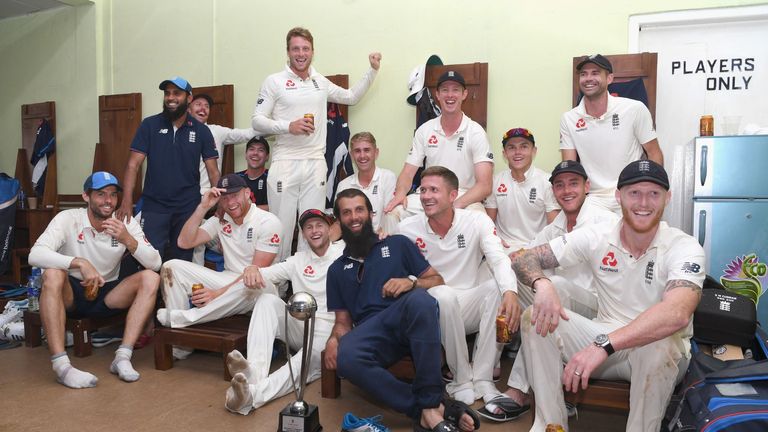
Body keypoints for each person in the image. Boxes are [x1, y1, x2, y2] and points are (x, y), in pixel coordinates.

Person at [514, 160, 704, 432]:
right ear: (618, 196)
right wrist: (542, 284)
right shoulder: (596, 235)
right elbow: (525, 259)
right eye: (634, 193)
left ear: (667, 198)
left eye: (654, 193)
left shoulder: (684, 246)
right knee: (535, 315)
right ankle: (550, 425)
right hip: (605, 340)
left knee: (659, 346)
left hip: (655, 350)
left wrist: (603, 345)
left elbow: (677, 313)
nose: (643, 203)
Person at [325, 188, 480, 432]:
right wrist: (334, 338)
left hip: (407, 321)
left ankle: (429, 404)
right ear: (339, 220)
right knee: (347, 356)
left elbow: (437, 281)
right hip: (372, 333)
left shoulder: (397, 244)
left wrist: (412, 282)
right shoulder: (335, 269)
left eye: (359, 210)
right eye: (346, 213)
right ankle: (432, 408)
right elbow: (343, 321)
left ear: (370, 214)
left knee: (419, 299)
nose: (354, 217)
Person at [480, 160, 618, 422]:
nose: (566, 190)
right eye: (559, 185)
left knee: (557, 287)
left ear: (587, 186)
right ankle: (482, 377)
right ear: (553, 191)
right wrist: (512, 288)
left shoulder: (606, 221)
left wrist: (543, 284)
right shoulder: (554, 227)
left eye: (573, 183)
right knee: (503, 285)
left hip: (599, 311)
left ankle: (518, 390)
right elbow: (522, 257)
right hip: (560, 309)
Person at [252, 26, 381, 263]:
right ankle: (278, 287)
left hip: (315, 163)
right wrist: (288, 126)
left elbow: (351, 97)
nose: (301, 54)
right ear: (288, 51)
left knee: (313, 228)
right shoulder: (274, 81)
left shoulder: (320, 82)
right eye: (296, 49)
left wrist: (372, 71)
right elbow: (258, 122)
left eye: (306, 49)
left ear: (313, 51)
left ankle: (306, 283)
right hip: (285, 162)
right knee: (280, 227)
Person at [397, 166, 521, 406]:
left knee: (499, 287)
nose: (426, 196)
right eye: (423, 190)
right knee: (443, 295)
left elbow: (497, 257)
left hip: (467, 304)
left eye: (434, 190)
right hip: (431, 311)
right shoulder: (407, 228)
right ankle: (461, 379)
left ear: (453, 196)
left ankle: (483, 378)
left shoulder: (476, 220)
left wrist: (510, 292)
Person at [28, 171, 161, 388]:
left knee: (151, 278)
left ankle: (122, 357)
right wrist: (79, 262)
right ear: (86, 196)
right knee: (52, 273)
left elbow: (155, 263)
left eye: (113, 195)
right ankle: (62, 366)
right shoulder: (68, 219)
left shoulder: (123, 223)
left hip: (108, 294)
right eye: (101, 194)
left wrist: (127, 239)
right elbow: (35, 255)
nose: (108, 201)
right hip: (71, 293)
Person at [224, 209, 343, 414]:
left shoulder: (343, 253)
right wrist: (252, 269)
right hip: (300, 325)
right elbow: (265, 273)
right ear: (303, 234)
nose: (314, 231)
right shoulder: (297, 259)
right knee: (267, 301)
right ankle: (254, 372)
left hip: (328, 332)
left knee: (300, 363)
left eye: (319, 225)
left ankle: (252, 395)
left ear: (330, 229)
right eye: (308, 227)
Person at [156, 174, 281, 359]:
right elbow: (184, 242)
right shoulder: (221, 219)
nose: (230, 202)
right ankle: (181, 347)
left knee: (252, 280)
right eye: (225, 197)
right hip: (229, 280)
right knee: (171, 267)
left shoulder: (268, 222)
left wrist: (216, 294)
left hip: (260, 287)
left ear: (247, 193)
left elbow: (257, 270)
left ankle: (182, 318)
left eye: (235, 195)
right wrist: (203, 207)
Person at [117, 76, 219, 262]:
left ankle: (174, 292)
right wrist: (126, 200)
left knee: (180, 262)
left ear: (189, 98)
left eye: (176, 93)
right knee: (149, 259)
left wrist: (218, 204)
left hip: (187, 208)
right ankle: (151, 292)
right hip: (154, 206)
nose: (171, 97)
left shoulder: (201, 130)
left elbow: (213, 171)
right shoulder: (149, 125)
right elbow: (133, 165)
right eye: (167, 93)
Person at [560, 54, 663, 214]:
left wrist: (654, 191)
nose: (588, 78)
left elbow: (654, 152)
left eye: (595, 73)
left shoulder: (635, 109)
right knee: (583, 237)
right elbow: (569, 168)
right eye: (583, 74)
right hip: (593, 199)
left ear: (609, 78)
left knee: (633, 238)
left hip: (630, 192)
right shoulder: (569, 118)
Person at [385, 70, 493, 217]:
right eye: (444, 90)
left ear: (464, 94)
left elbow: (485, 185)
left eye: (455, 90)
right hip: (429, 194)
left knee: (479, 219)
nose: (450, 95)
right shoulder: (425, 130)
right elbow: (408, 173)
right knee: (394, 213)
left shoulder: (476, 132)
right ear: (438, 95)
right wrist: (400, 193)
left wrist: (454, 206)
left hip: (463, 196)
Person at [485, 128, 560, 252]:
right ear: (504, 153)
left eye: (524, 147)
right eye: (511, 148)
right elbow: (488, 223)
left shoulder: (547, 182)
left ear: (534, 151)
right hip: (504, 249)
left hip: (536, 249)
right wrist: (493, 240)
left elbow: (554, 228)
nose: (517, 152)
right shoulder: (495, 181)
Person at [187, 93, 257, 194]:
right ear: (188, 109)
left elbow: (246, 134)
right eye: (198, 104)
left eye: (207, 106)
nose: (203, 108)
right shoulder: (179, 132)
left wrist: (276, 128)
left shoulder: (216, 131)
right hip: (183, 193)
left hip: (208, 193)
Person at [335, 131, 397, 233]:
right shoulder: (343, 185)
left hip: (382, 240)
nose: (362, 156)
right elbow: (340, 222)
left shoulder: (387, 177)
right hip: (353, 243)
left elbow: (391, 216)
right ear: (351, 155)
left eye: (367, 150)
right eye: (357, 151)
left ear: (376, 153)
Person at [236, 136, 270, 211]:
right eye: (251, 149)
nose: (255, 153)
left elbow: (278, 206)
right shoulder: (236, 178)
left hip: (266, 221)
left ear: (267, 157)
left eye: (261, 150)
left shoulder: (272, 177)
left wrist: (246, 209)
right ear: (245, 154)